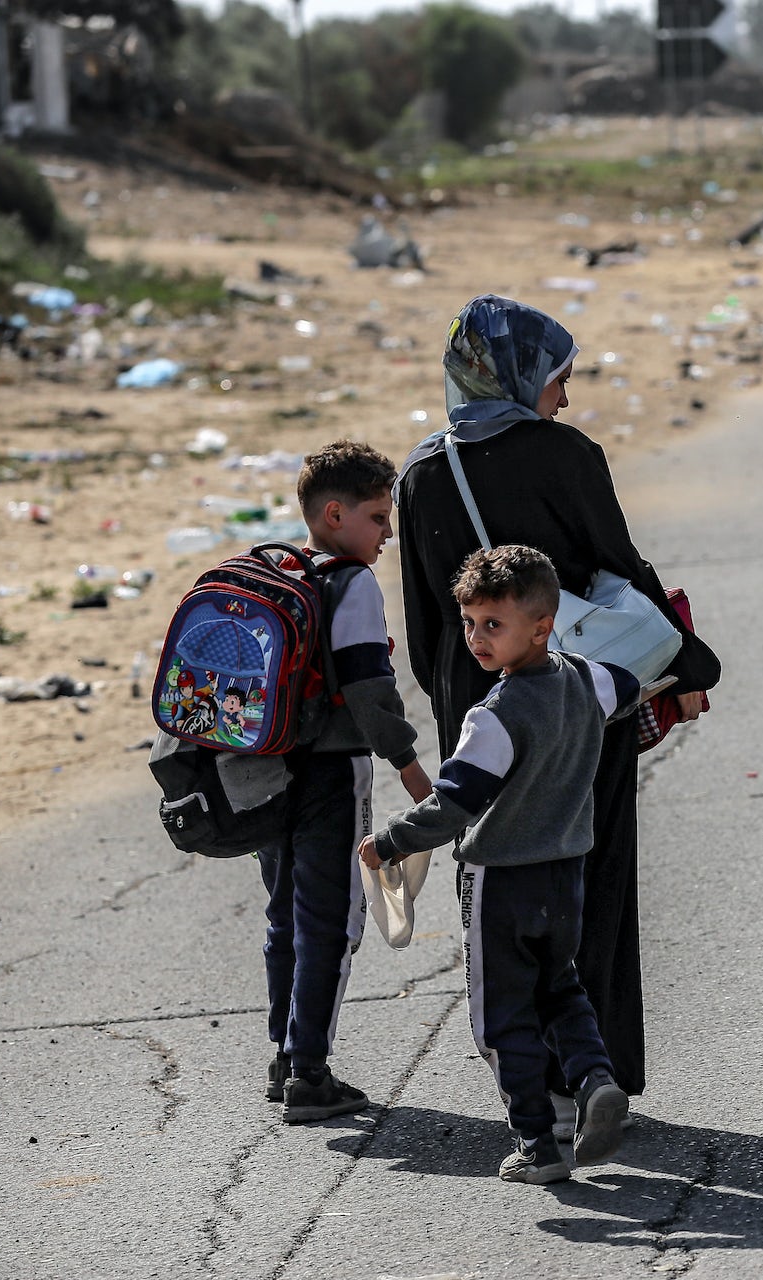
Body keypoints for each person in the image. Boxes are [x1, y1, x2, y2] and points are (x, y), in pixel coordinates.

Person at [398, 296, 720, 1112]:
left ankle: (530, 1089)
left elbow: (425, 622)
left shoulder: (421, 475)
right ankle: (593, 1070)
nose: (564, 398)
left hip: (481, 715)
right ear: (518, 374)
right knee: (589, 881)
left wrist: (457, 729)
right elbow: (622, 570)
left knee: (500, 893)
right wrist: (688, 662)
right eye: (559, 379)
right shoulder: (566, 456)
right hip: (576, 709)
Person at [361, 546, 640, 1184]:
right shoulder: (585, 680)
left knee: (501, 1016)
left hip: (502, 884)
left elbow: (453, 805)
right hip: (567, 873)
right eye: (469, 623)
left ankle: (539, 1145)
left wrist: (390, 843)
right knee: (562, 989)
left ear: (541, 626)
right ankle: (596, 1080)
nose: (476, 638)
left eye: (494, 624)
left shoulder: (493, 716)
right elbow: (627, 686)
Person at [263, 441, 434, 1123]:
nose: (387, 533)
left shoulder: (279, 566)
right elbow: (369, 691)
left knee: (284, 915)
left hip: (265, 771)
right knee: (330, 922)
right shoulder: (351, 582)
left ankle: (285, 1053)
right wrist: (416, 774)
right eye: (377, 517)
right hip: (331, 772)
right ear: (334, 513)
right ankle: (310, 1072)